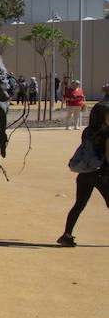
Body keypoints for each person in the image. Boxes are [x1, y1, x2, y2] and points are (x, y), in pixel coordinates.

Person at [57, 100, 109, 246]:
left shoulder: (87, 130)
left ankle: (66, 235)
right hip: (102, 173)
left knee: (78, 205)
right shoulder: (107, 131)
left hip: (85, 173)